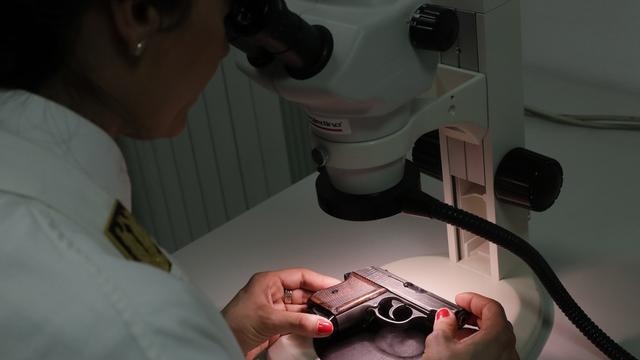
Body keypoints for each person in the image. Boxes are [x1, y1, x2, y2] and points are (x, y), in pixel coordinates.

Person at [0, 1, 518, 359]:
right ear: (138, 13)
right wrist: (186, 341)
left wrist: (220, 339)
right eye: (226, 10)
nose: (227, 47)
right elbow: (137, 336)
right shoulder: (136, 320)